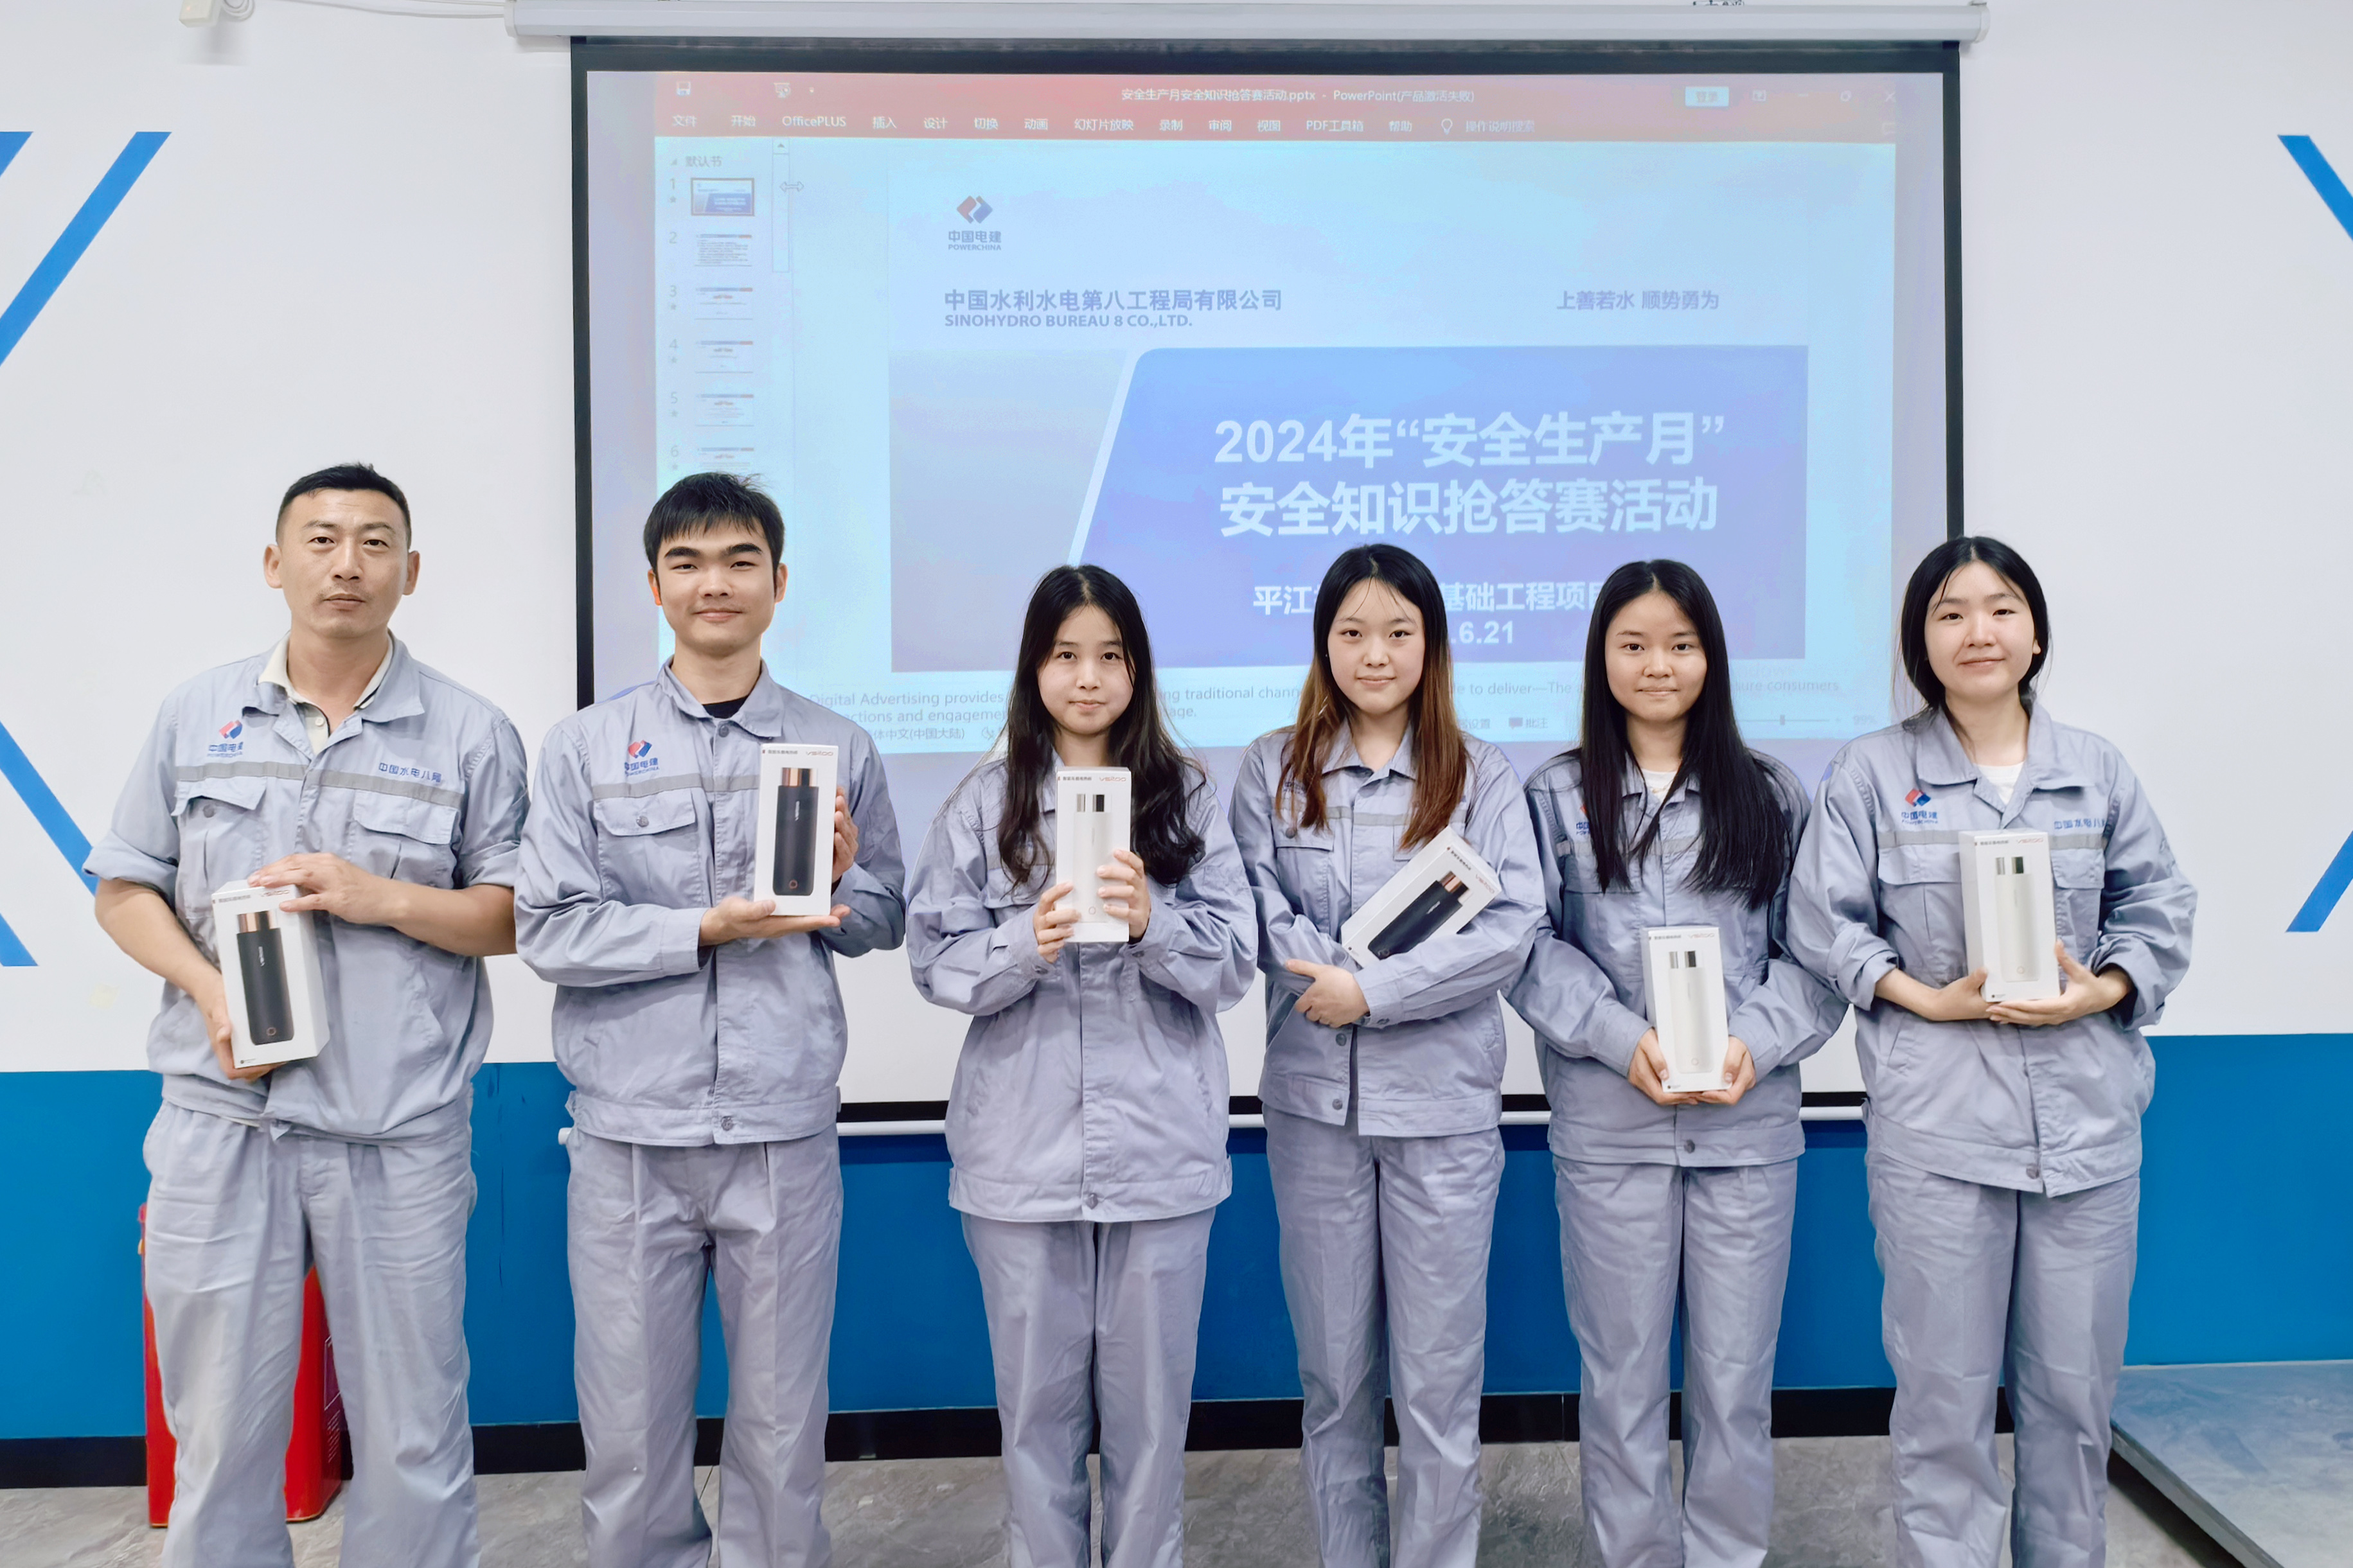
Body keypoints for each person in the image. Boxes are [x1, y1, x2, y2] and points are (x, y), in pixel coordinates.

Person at [88, 464, 528, 1568]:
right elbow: (125, 887)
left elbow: (511, 916)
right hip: (221, 1121)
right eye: (321, 539)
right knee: (219, 1434)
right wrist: (209, 992)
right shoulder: (195, 714)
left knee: (413, 1434)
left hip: (396, 1128)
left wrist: (381, 897)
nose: (347, 564)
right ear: (273, 563)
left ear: (411, 572)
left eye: (375, 543)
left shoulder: (471, 732)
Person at [514, 471, 906, 1568]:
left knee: (782, 1423)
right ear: (653, 586)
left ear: (779, 583)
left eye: (739, 561)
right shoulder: (585, 747)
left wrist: (842, 879)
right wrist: (703, 928)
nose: (714, 583)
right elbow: (551, 929)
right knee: (629, 1428)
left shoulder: (837, 743)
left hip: (780, 1127)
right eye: (686, 563)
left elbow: (884, 918)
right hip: (629, 1135)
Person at [1788, 536, 2194, 1567]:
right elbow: (1823, 923)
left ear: (2035, 633)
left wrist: (2100, 988)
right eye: (1951, 612)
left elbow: (2157, 903)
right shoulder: (1870, 772)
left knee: (2073, 1405)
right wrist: (1925, 995)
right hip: (1938, 1137)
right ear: (1920, 642)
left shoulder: (2095, 769)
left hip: (2084, 1136)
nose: (1979, 631)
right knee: (1943, 1408)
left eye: (2001, 607)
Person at [907, 564, 1256, 1568]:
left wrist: (1156, 924)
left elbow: (1235, 961)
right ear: (1034, 667)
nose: (1088, 677)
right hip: (1022, 1159)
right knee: (1035, 1420)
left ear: (1137, 670)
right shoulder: (982, 803)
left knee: (1151, 1425)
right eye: (1065, 655)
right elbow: (933, 959)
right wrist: (1024, 942)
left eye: (1110, 655)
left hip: (1159, 1153)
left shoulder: (1185, 798)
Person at [1506, 560, 1846, 1568]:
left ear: (1711, 657)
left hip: (1745, 1128)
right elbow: (1525, 948)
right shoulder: (1552, 794)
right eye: (1634, 645)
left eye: (1680, 644)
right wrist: (1621, 1038)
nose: (1658, 665)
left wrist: (1753, 1044)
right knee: (1619, 1383)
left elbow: (1815, 955)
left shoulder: (1770, 792)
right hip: (1611, 1129)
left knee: (1735, 1383)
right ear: (1600, 658)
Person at [1227, 543, 1543, 1568]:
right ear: (1322, 642)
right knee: (1334, 1381)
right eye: (1353, 632)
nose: (1375, 653)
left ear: (1430, 643)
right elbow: (1252, 903)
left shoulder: (1480, 773)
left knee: (1440, 1385)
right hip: (1313, 1114)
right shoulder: (1270, 769)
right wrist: (1325, 976)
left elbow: (1510, 928)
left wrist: (1372, 991)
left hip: (1441, 1116)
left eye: (1398, 632)